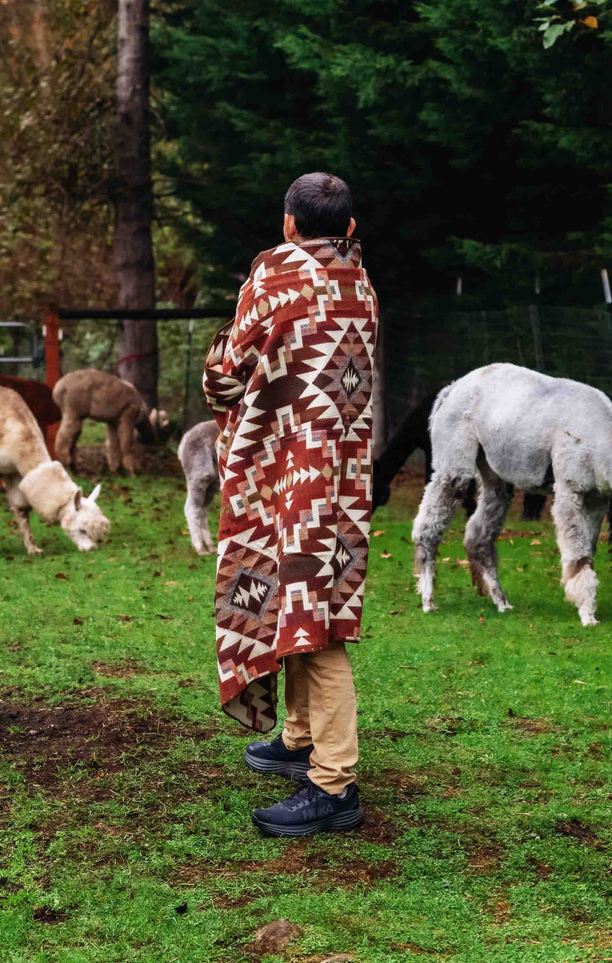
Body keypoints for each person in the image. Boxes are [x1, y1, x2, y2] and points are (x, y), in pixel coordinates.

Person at [202, 172, 378, 837]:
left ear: (287, 223)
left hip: (288, 475)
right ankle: (300, 735)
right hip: (343, 476)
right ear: (350, 230)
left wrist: (241, 398)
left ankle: (333, 781)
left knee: (316, 619)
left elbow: (223, 372)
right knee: (311, 601)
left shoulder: (274, 276)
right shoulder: (361, 286)